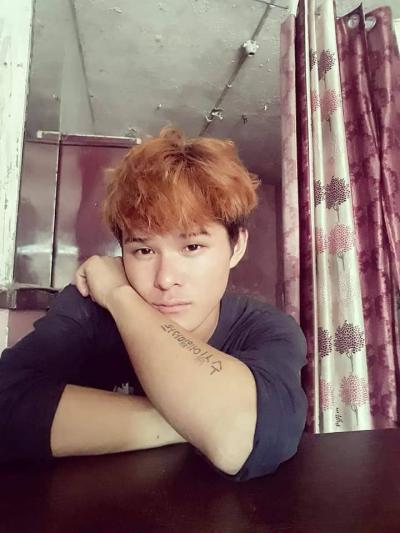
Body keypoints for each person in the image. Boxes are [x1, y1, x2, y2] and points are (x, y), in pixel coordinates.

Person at [0, 127, 307, 481]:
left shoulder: (266, 329)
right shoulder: (89, 307)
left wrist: (120, 295)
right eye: (144, 250)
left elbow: (252, 437)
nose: (165, 279)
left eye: (192, 247)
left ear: (236, 247)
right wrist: (199, 419)